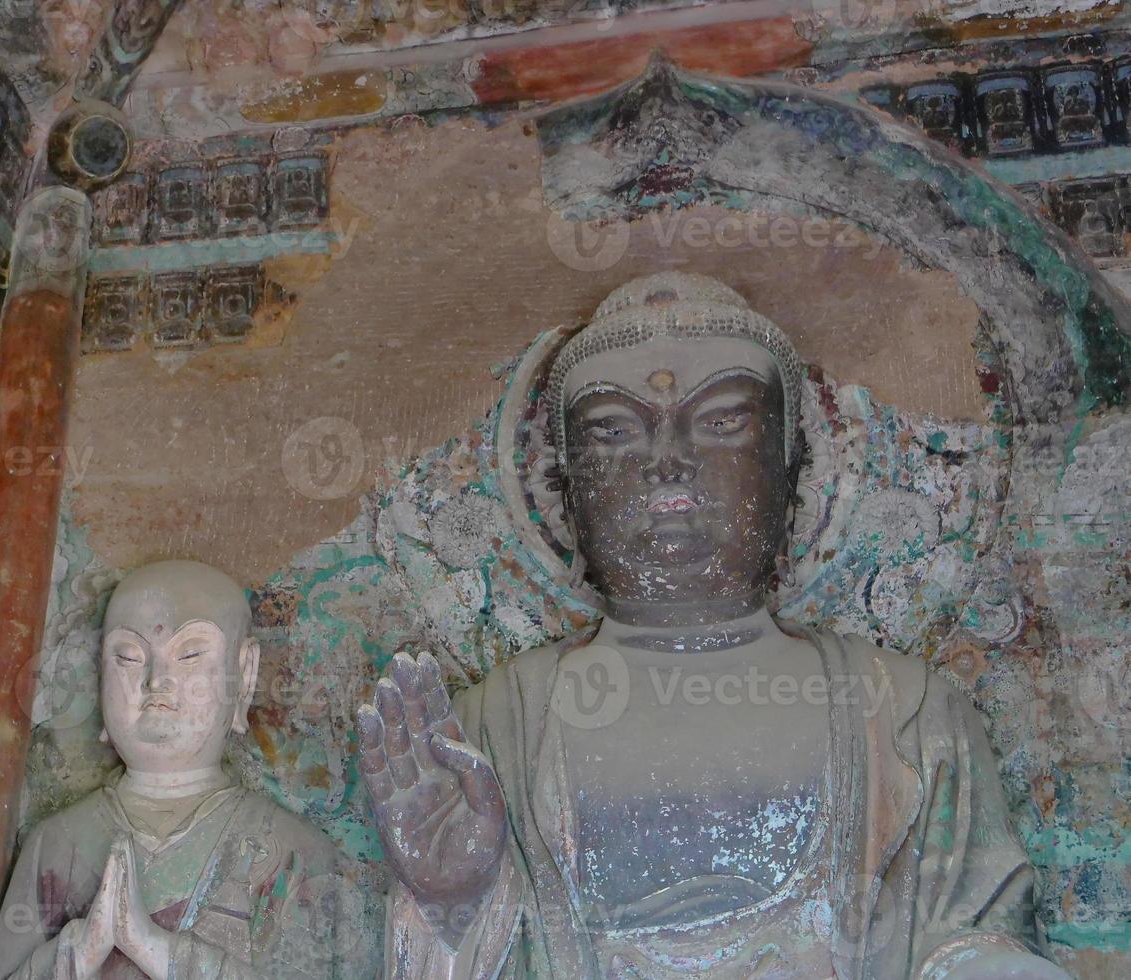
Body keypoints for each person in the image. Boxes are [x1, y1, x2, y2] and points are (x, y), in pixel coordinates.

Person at [359, 272, 1069, 979]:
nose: (668, 459)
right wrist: (451, 906)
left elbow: (976, 942)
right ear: (565, 485)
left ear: (792, 464)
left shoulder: (907, 712)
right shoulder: (489, 736)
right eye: (612, 429)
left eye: (723, 419)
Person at [0, 560, 377, 979]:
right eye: (129, 657)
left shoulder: (292, 852)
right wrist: (76, 952)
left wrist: (158, 950)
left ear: (244, 675)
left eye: (189, 654)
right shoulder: (57, 844)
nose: (157, 680)